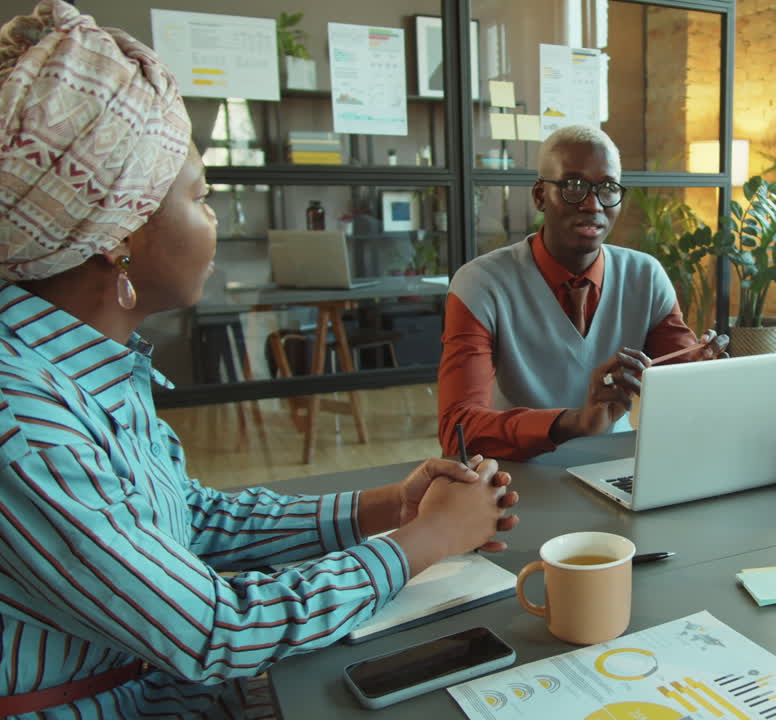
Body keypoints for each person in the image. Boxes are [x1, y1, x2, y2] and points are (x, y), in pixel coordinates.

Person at [0, 3, 518, 717]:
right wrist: (424, 539)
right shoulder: (22, 426)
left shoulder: (79, 369)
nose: (212, 217)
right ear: (117, 233)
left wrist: (384, 507)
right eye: (199, 196)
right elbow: (215, 627)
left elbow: (191, 521)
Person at [438, 125, 728, 461]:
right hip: (516, 474)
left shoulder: (645, 276)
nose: (593, 204)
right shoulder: (481, 284)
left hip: (614, 467)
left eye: (607, 188)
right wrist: (574, 422)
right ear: (539, 196)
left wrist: (708, 374)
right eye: (573, 186)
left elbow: (681, 385)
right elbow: (457, 431)